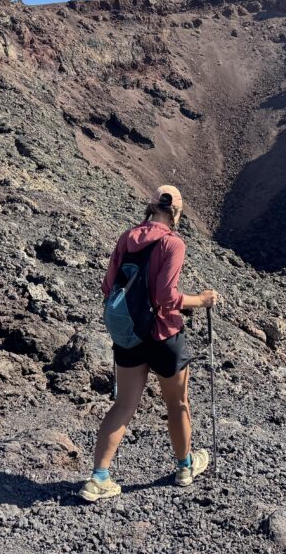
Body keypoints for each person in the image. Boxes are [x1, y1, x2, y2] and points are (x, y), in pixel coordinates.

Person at [79, 184, 220, 502]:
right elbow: (166, 297)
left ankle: (98, 477)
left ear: (150, 207)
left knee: (124, 405)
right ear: (177, 214)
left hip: (130, 334)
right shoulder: (173, 243)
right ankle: (185, 466)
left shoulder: (127, 238)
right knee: (177, 403)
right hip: (163, 335)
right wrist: (201, 300)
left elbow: (107, 286)